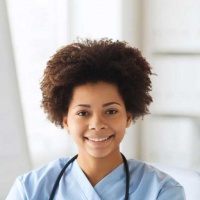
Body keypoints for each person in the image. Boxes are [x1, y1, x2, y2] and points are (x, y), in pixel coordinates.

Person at [6, 38, 185, 200]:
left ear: (128, 117)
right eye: (83, 113)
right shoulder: (29, 190)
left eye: (111, 111)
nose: (97, 124)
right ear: (66, 121)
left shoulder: (162, 191)